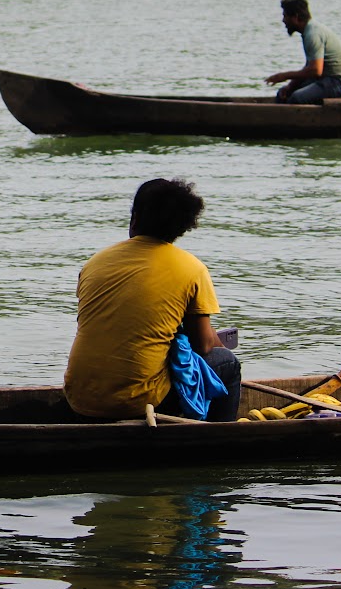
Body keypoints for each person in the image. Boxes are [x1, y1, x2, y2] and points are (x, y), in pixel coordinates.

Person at [64, 178, 241, 422]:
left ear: (135, 218)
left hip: (79, 398)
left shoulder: (95, 263)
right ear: (182, 226)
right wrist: (217, 344)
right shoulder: (192, 268)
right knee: (228, 363)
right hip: (139, 402)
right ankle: (221, 438)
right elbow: (202, 345)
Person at [267, 0, 341, 103]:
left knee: (297, 98)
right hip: (325, 79)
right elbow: (309, 68)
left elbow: (315, 71)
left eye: (285, 16)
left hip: (339, 83)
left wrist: (284, 76)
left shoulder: (312, 34)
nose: (283, 20)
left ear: (296, 17)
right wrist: (290, 86)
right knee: (283, 93)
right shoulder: (308, 31)